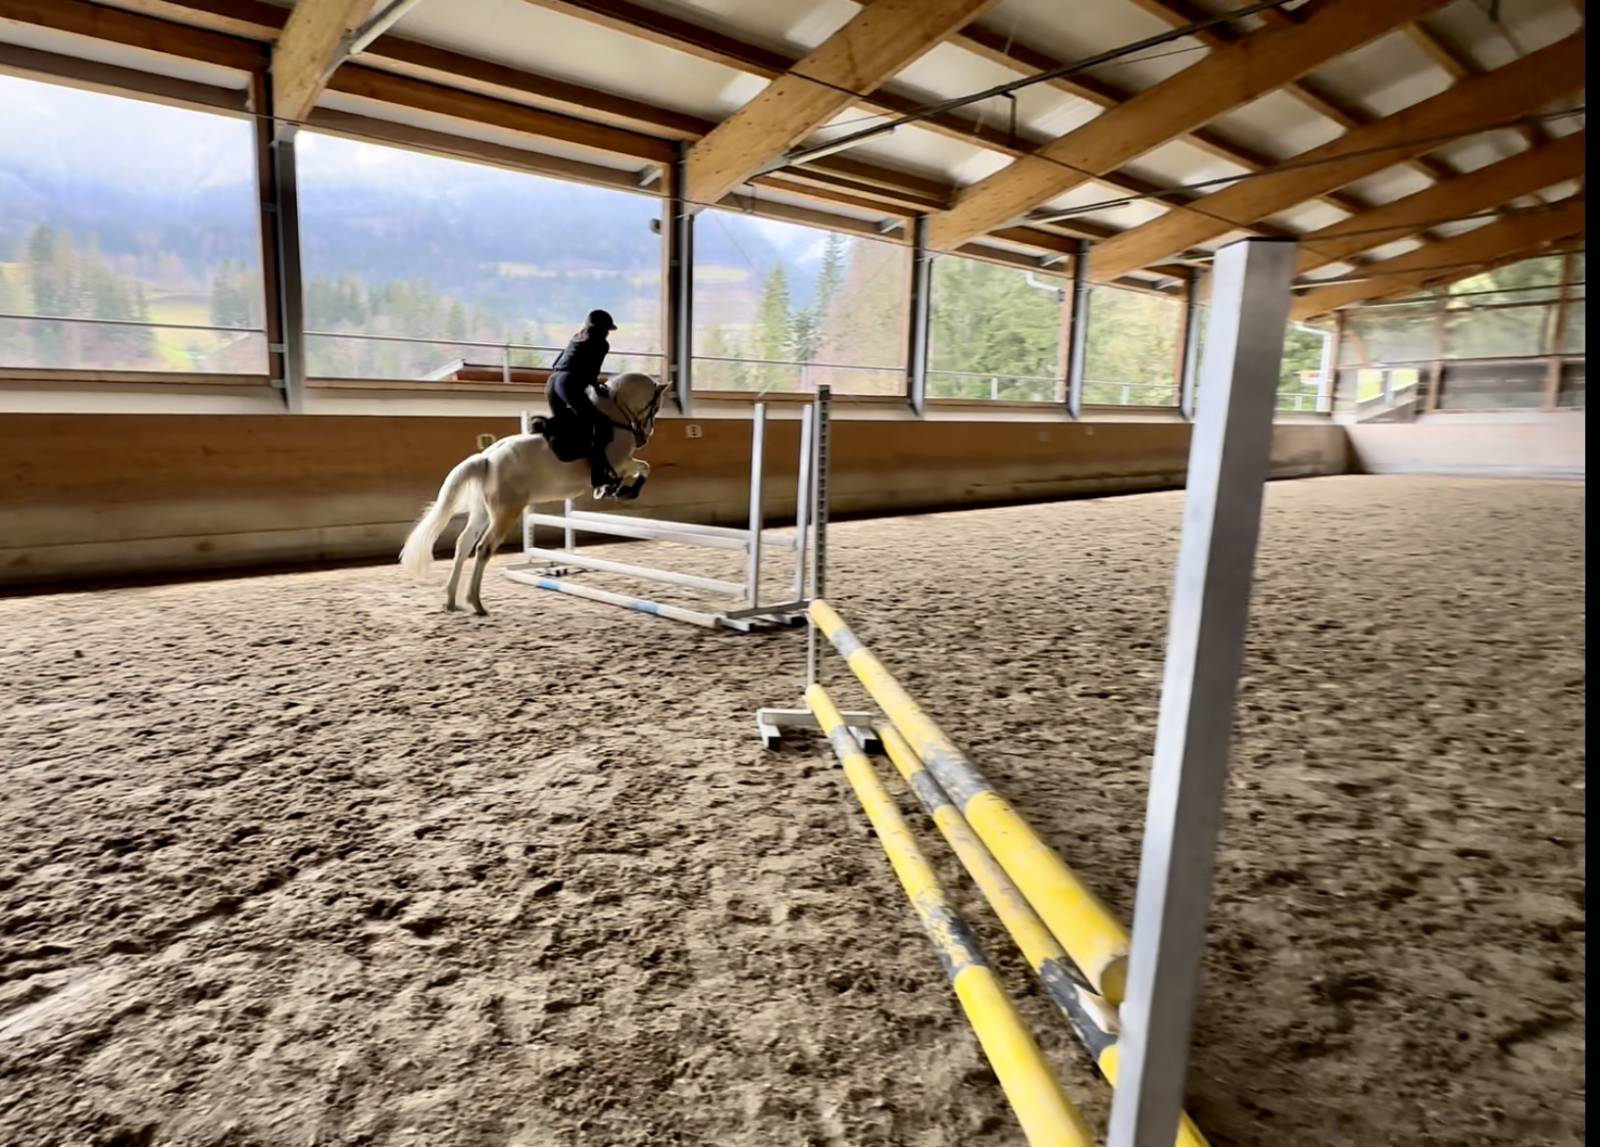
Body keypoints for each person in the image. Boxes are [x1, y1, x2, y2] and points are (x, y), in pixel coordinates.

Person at [546, 309, 618, 492]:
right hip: (568, 383)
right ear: (601, 328)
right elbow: (592, 371)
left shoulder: (576, 337)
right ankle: (598, 476)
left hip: (552, 382)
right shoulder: (601, 344)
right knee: (601, 425)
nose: (607, 333)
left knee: (568, 422)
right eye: (606, 329)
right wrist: (596, 388)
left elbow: (557, 362)